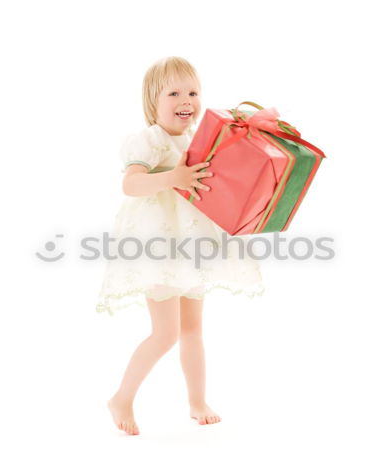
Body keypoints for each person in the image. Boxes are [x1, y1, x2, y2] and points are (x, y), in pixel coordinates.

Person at [96, 56, 265, 435]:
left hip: (190, 247)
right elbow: (131, 184)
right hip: (158, 249)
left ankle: (197, 401)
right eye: (173, 92)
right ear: (153, 102)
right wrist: (174, 175)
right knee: (165, 333)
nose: (185, 99)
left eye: (192, 91)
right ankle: (121, 397)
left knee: (192, 330)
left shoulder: (197, 140)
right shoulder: (150, 140)